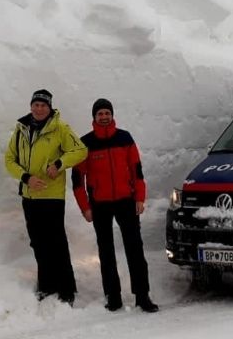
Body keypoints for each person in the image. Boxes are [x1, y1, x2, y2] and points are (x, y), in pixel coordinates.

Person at [72, 98, 159, 313]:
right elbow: (76, 179)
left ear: (112, 115)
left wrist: (139, 198)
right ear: (94, 117)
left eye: (106, 113)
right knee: (106, 251)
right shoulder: (86, 143)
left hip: (126, 202)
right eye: (100, 113)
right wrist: (85, 207)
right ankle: (113, 297)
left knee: (135, 249)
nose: (104, 117)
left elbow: (137, 170)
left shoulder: (125, 138)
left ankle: (142, 295)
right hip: (99, 205)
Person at [4, 89, 88, 305]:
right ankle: (46, 285)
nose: (39, 108)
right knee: (38, 242)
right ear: (31, 106)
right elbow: (9, 160)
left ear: (49, 108)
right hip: (30, 196)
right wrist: (25, 177)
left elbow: (80, 150)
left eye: (43, 105)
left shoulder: (60, 128)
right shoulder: (21, 129)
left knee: (56, 242)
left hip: (51, 196)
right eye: (36, 104)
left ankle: (67, 289)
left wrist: (59, 164)